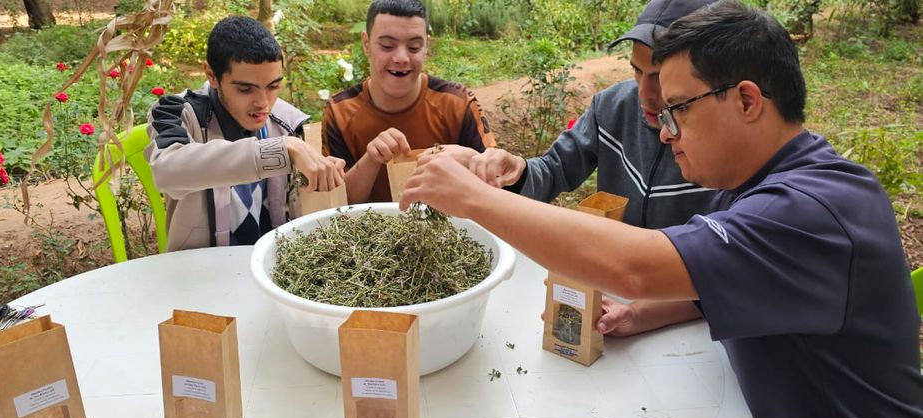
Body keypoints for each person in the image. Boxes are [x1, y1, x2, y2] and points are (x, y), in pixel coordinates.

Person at [399, 1, 923, 418]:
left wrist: (474, 198)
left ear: (746, 100)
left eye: (678, 110)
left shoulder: (810, 211)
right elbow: (729, 281)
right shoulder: (754, 182)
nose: (665, 129)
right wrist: (644, 312)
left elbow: (639, 267)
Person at [449, 0, 717, 229]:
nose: (644, 93)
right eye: (637, 71)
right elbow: (554, 170)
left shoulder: (724, 143)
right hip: (609, 277)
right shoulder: (611, 106)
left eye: (659, 78)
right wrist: (517, 171)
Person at [147, 16, 345, 252]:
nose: (263, 103)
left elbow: (297, 216)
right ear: (211, 75)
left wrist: (317, 181)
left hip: (271, 267)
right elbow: (168, 172)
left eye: (273, 86)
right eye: (245, 89)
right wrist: (276, 151)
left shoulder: (288, 122)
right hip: (200, 273)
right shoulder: (175, 112)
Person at [321, 0, 496, 204]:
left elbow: (497, 181)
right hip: (371, 231)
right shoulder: (339, 111)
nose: (401, 58)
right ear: (366, 44)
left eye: (413, 47)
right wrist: (371, 160)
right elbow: (337, 205)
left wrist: (470, 160)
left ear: (427, 46)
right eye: (387, 46)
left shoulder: (458, 103)